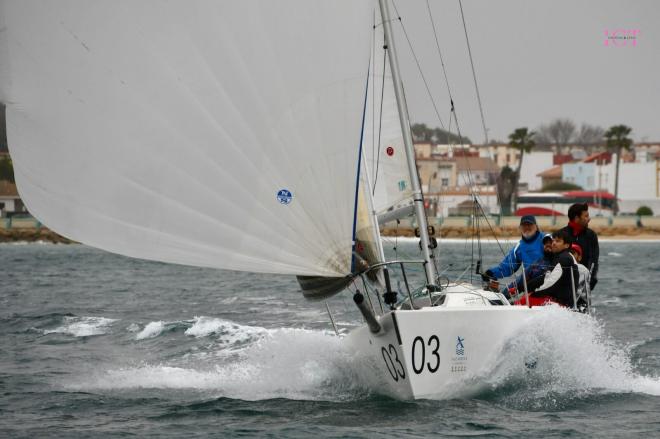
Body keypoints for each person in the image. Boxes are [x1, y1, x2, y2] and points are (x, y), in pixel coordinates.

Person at [482, 215, 545, 296]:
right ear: (520, 228)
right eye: (524, 225)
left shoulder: (545, 238)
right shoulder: (519, 247)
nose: (527, 228)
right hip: (527, 279)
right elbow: (507, 267)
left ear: (536, 227)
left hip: (545, 276)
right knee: (505, 294)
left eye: (529, 225)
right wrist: (491, 273)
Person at [520, 229, 579, 308]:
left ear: (566, 245)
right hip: (561, 301)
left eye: (557, 241)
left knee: (521, 302)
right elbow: (546, 277)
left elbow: (551, 282)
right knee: (525, 299)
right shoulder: (563, 256)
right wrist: (526, 286)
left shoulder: (564, 259)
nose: (553, 243)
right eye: (553, 241)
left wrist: (535, 293)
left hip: (561, 304)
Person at [560, 203, 599, 291]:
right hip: (563, 284)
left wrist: (590, 279)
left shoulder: (591, 235)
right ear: (577, 218)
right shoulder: (561, 235)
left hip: (584, 284)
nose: (589, 219)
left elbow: (593, 260)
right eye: (586, 216)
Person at [569, 243, 591, 311]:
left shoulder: (581, 269)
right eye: (568, 253)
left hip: (579, 304)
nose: (570, 255)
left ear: (579, 257)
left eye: (572, 253)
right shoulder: (566, 267)